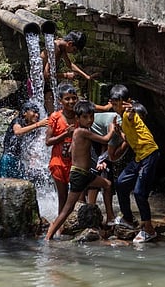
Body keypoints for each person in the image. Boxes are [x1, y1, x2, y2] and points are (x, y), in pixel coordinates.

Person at [45, 100, 116, 240]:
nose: (89, 120)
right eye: (85, 117)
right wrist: (112, 128)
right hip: (79, 175)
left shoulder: (77, 133)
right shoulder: (83, 132)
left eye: (91, 117)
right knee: (68, 209)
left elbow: (71, 150)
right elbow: (105, 139)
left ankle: (110, 217)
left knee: (107, 184)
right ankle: (48, 236)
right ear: (77, 119)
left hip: (84, 174)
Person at [110, 84, 160, 243]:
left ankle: (149, 229)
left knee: (139, 192)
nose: (118, 106)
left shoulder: (128, 114)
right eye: (115, 103)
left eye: (121, 103)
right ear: (111, 102)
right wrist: (120, 133)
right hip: (140, 156)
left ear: (128, 102)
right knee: (120, 183)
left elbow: (131, 115)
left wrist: (130, 109)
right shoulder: (122, 120)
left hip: (150, 154)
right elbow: (132, 139)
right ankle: (128, 218)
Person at [41, 31, 94, 114]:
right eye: (74, 50)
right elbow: (46, 74)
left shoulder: (62, 46)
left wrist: (86, 76)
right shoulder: (55, 48)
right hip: (38, 83)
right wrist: (65, 75)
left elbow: (69, 65)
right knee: (52, 114)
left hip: (46, 83)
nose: (73, 52)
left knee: (55, 110)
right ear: (70, 43)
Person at [45, 83, 78, 217]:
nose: (71, 101)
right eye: (67, 99)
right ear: (60, 101)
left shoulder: (80, 116)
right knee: (63, 196)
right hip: (58, 162)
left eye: (73, 98)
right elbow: (48, 141)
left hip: (75, 163)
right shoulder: (55, 117)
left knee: (78, 195)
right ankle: (60, 228)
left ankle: (75, 223)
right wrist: (65, 134)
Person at [0, 102, 48, 179]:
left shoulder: (33, 131)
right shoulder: (17, 121)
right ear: (24, 113)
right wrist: (38, 124)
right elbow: (18, 132)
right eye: (34, 112)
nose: (37, 115)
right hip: (7, 159)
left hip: (19, 161)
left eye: (38, 113)